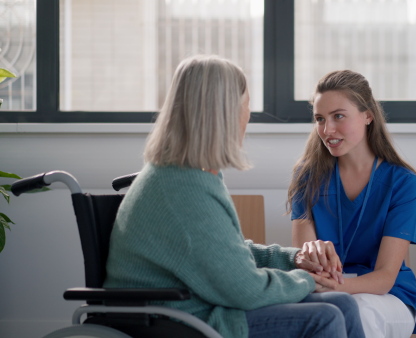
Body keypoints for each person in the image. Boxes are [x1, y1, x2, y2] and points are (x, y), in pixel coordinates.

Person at [103, 55, 365, 338]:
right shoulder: (182, 191)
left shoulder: (191, 175)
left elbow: (229, 253)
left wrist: (296, 259)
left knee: (342, 303)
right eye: (246, 106)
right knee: (324, 318)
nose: (248, 116)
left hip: (201, 306)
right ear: (223, 113)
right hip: (179, 319)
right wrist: (306, 280)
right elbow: (244, 290)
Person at [287, 70, 416, 337]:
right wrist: (314, 268)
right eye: (320, 119)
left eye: (338, 116)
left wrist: (335, 289)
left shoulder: (402, 182)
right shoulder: (306, 178)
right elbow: (305, 263)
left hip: (387, 296)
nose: (327, 129)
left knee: (355, 312)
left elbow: (385, 277)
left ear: (368, 116)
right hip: (326, 294)